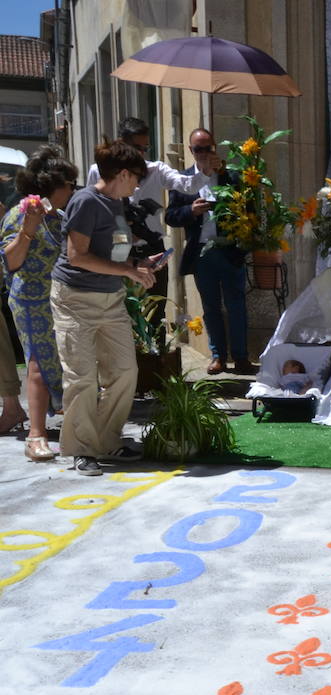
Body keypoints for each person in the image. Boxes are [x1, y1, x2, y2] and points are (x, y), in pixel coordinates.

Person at [51, 140, 159, 477]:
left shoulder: (117, 203)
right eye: (136, 178)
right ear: (123, 173)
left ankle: (108, 441)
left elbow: (108, 254)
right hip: (75, 300)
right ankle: (82, 450)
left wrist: (138, 263)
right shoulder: (85, 201)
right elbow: (78, 255)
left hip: (110, 298)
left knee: (125, 372)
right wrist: (128, 271)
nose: (138, 186)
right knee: (82, 378)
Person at [84, 117, 216, 301]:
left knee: (155, 308)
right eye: (138, 148)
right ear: (122, 144)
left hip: (151, 249)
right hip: (118, 249)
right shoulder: (98, 171)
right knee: (120, 307)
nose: (142, 154)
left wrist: (205, 171)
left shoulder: (156, 170)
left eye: (146, 148)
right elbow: (95, 208)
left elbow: (186, 185)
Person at [1, 146, 78, 460]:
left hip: (59, 299)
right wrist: (28, 230)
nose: (72, 189)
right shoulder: (21, 213)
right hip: (31, 299)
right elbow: (11, 261)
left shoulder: (59, 215)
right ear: (51, 186)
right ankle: (36, 435)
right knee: (36, 363)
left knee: (62, 363)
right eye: (68, 184)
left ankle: (71, 426)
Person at [165, 128, 250, 375]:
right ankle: (218, 356)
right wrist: (190, 211)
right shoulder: (182, 180)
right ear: (191, 151)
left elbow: (249, 207)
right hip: (202, 253)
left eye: (208, 148)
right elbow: (171, 216)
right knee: (210, 307)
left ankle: (241, 357)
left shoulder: (231, 176)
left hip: (229, 250)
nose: (204, 154)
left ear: (215, 148)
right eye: (198, 149)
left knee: (237, 305)